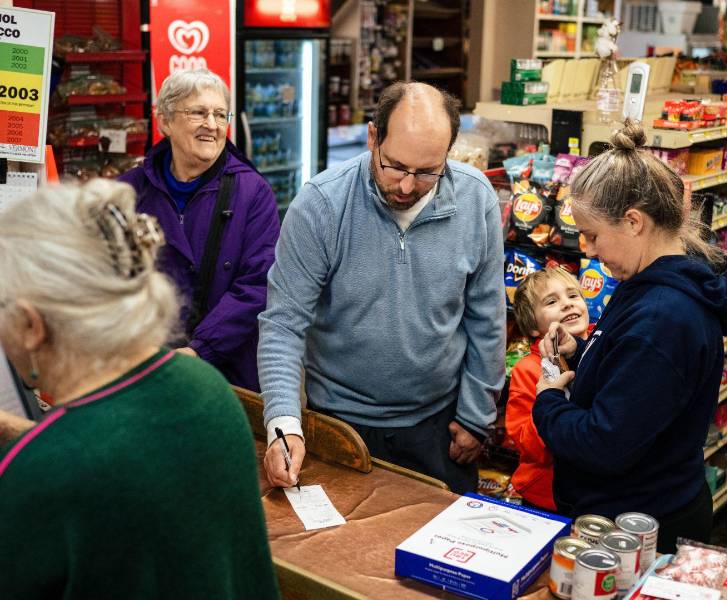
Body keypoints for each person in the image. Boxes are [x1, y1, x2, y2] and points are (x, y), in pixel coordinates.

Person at [0, 180, 280, 598]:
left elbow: (83, 466)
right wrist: (26, 434)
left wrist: (35, 452)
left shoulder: (39, 476)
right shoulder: (206, 389)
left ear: (31, 325)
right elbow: (130, 455)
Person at [258, 82, 506, 494]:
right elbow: (283, 324)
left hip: (439, 427)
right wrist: (283, 424)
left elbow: (487, 316)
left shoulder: (475, 198)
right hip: (339, 425)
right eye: (394, 166)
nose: (407, 186)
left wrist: (476, 414)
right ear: (373, 137)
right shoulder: (322, 204)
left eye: (427, 172)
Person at [533, 120, 727, 553]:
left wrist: (548, 400)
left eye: (592, 235)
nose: (586, 249)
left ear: (633, 222)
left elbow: (602, 443)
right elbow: (638, 381)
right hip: (639, 510)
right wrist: (587, 350)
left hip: (639, 531)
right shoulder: (652, 281)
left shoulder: (663, 319)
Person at [119, 68, 279, 392]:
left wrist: (199, 349)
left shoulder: (252, 192)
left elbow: (258, 285)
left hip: (226, 372)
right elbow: (105, 276)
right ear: (164, 121)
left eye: (221, 114)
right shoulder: (126, 191)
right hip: (144, 366)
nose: (212, 124)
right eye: (198, 112)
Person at [506, 268, 590, 511]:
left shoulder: (602, 348)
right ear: (533, 326)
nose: (567, 304)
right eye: (552, 301)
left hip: (596, 491)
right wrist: (549, 391)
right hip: (547, 497)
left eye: (573, 296)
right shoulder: (528, 370)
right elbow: (529, 446)